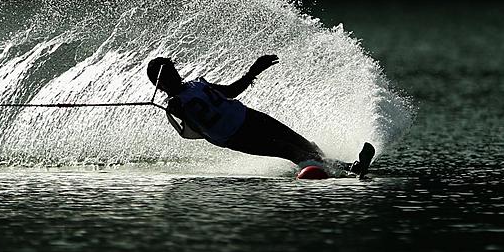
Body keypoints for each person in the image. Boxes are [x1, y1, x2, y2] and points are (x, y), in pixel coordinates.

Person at [147, 55, 375, 177]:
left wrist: (253, 71)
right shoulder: (174, 105)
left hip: (249, 117)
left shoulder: (198, 84)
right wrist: (172, 104)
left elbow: (232, 91)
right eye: (168, 74)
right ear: (161, 83)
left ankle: (343, 167)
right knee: (287, 149)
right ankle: (349, 170)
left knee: (302, 142)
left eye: (173, 69)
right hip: (234, 136)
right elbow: (189, 133)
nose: (175, 74)